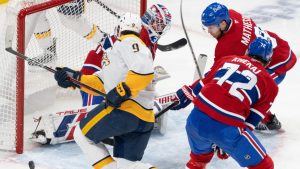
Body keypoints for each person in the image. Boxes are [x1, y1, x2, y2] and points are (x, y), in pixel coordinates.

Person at [54, 13, 157, 169]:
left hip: (126, 112)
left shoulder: (128, 42)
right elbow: (102, 83)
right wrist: (74, 78)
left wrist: (122, 91)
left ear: (118, 29)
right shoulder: (120, 51)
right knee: (126, 165)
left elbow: (143, 70)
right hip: (144, 118)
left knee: (82, 135)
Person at [171, 38, 278, 169]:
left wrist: (184, 95)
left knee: (198, 160)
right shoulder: (271, 85)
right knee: (264, 166)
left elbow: (198, 88)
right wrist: (227, 143)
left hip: (195, 121)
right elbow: (251, 121)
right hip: (227, 128)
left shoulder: (227, 59)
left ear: (247, 52)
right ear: (268, 61)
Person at [201, 2, 297, 130]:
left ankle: (267, 120)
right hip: (278, 46)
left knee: (244, 87)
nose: (209, 31)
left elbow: (218, 73)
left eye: (211, 27)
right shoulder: (232, 14)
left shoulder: (227, 46)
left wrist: (204, 82)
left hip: (277, 61)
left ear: (223, 24)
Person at [80, 3, 172, 107]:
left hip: (109, 70)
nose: (161, 29)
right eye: (159, 24)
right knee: (92, 111)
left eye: (163, 26)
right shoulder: (140, 35)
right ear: (149, 19)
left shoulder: (149, 38)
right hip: (96, 68)